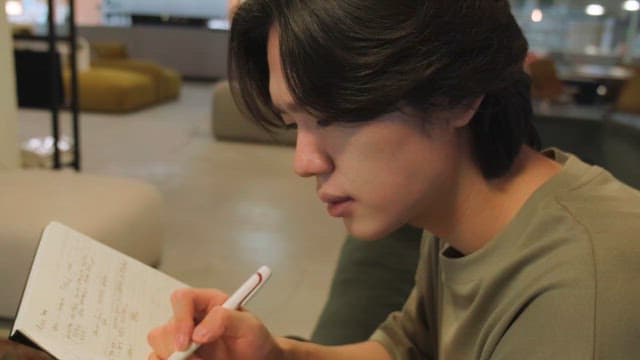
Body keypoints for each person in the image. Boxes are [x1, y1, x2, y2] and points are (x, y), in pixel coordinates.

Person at [147, 0, 640, 359]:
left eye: (336, 113)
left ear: (458, 94)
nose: (305, 162)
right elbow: (406, 348)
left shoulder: (583, 296)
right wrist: (275, 355)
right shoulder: (454, 214)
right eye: (295, 121)